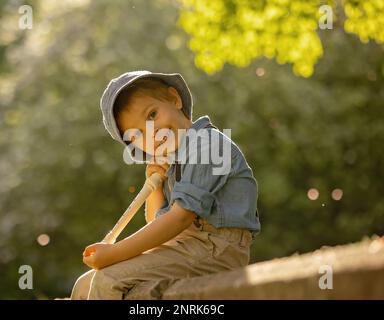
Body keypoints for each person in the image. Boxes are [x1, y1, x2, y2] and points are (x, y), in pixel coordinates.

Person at [70, 70, 260, 299]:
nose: (152, 134)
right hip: (185, 247)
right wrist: (154, 186)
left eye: (151, 115)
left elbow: (179, 219)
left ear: (174, 99)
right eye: (138, 135)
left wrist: (116, 253)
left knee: (108, 279)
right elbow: (156, 222)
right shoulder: (174, 159)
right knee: (84, 284)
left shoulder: (207, 146)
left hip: (217, 248)